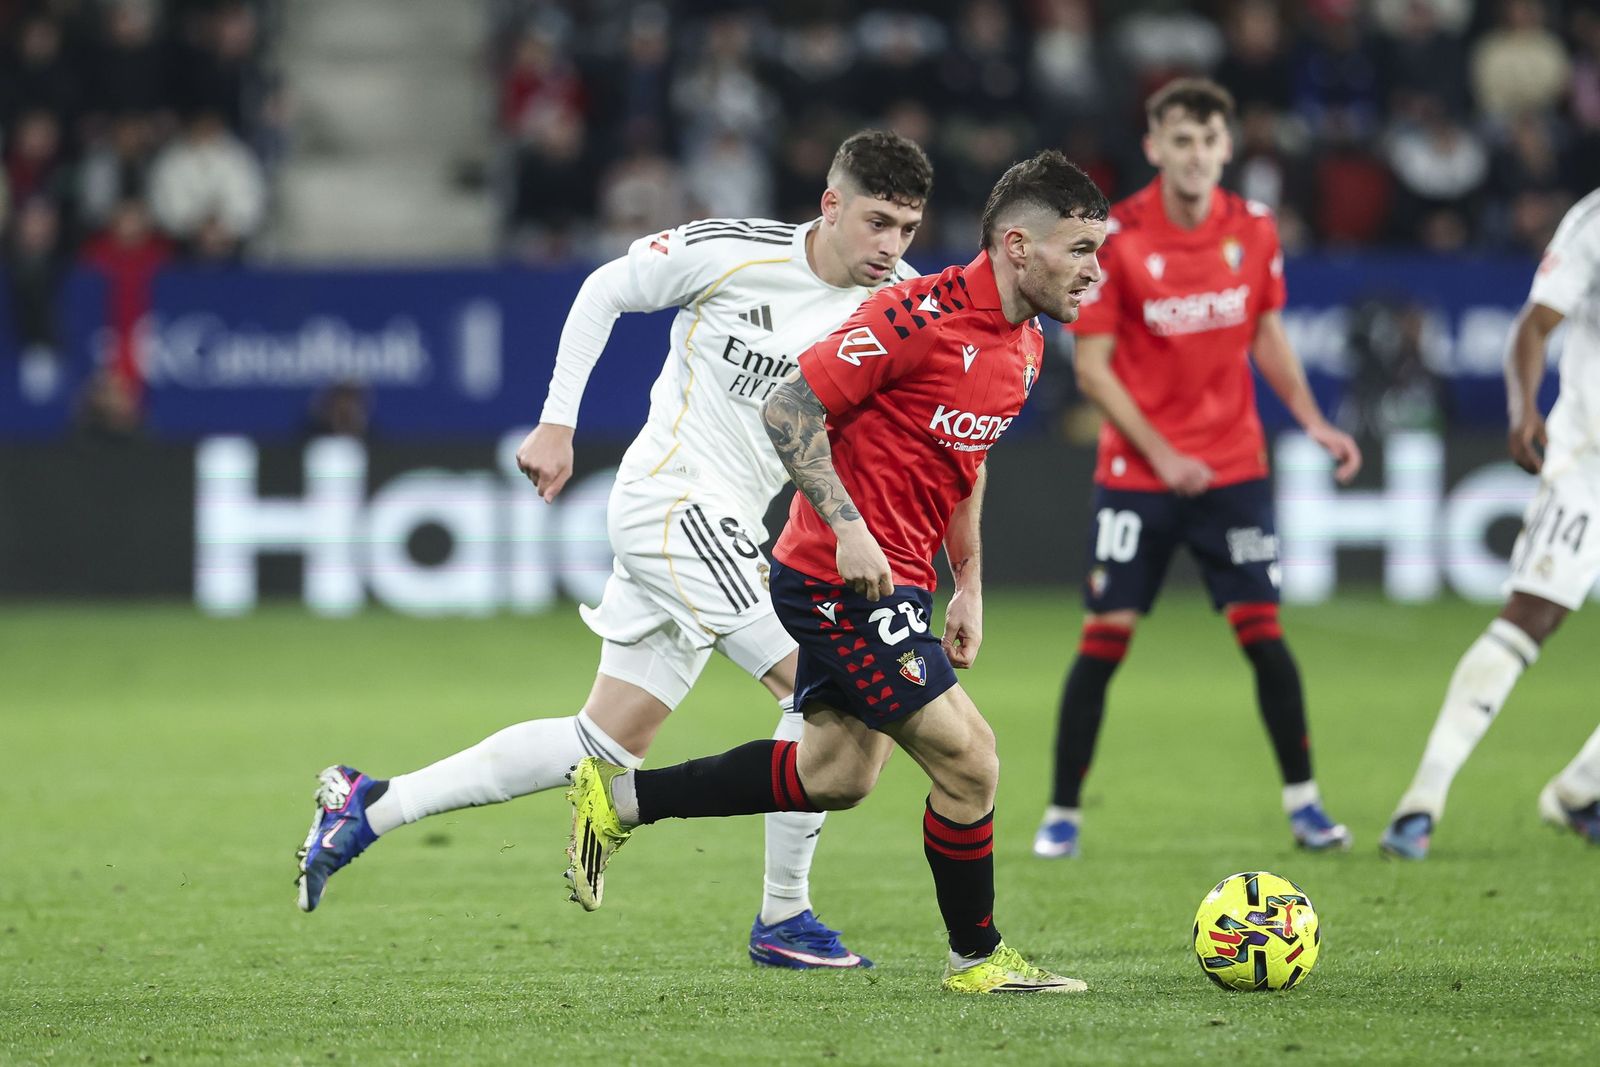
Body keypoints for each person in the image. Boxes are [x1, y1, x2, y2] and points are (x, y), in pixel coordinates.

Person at [295, 130, 934, 970]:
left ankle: (367, 804)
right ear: (830, 206)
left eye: (908, 230)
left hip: (731, 526)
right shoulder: (732, 253)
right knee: (824, 689)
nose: (890, 247)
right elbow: (605, 288)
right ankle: (784, 915)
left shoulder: (905, 303)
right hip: (671, 504)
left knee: (601, 742)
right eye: (877, 222)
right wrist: (557, 420)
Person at [564, 151, 1111, 994]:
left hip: (900, 582)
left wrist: (966, 580)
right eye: (1080, 250)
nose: (1095, 272)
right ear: (1017, 245)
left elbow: (969, 463)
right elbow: (790, 404)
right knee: (972, 761)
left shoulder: (1027, 344)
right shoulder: (915, 315)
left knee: (836, 775)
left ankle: (622, 802)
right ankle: (978, 957)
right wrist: (850, 530)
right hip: (838, 579)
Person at [1032, 78, 1363, 860]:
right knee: (1103, 640)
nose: (1196, 155)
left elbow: (1268, 335)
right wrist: (1163, 453)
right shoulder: (1116, 238)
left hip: (1232, 472)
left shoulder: (1254, 228)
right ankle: (1061, 814)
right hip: (1139, 479)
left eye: (1209, 140)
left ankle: (1307, 806)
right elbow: (1095, 370)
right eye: (1180, 140)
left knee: (1265, 638)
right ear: (1154, 146)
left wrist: (1313, 419)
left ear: (1228, 147)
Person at [1381, 187, 1600, 858]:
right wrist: (1522, 407)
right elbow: (1535, 324)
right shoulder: (1594, 220)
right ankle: (1423, 798)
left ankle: (1580, 789)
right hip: (1587, 460)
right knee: (1531, 616)